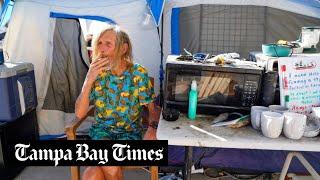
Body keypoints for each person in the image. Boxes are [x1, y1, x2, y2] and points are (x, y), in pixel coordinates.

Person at [75, 25, 159, 180]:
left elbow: (153, 109)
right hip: (100, 134)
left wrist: (152, 129)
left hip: (129, 135)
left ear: (123, 49)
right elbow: (79, 113)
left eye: (108, 44)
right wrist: (88, 80)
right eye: (99, 43)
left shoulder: (138, 73)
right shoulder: (96, 74)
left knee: (93, 174)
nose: (101, 49)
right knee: (97, 173)